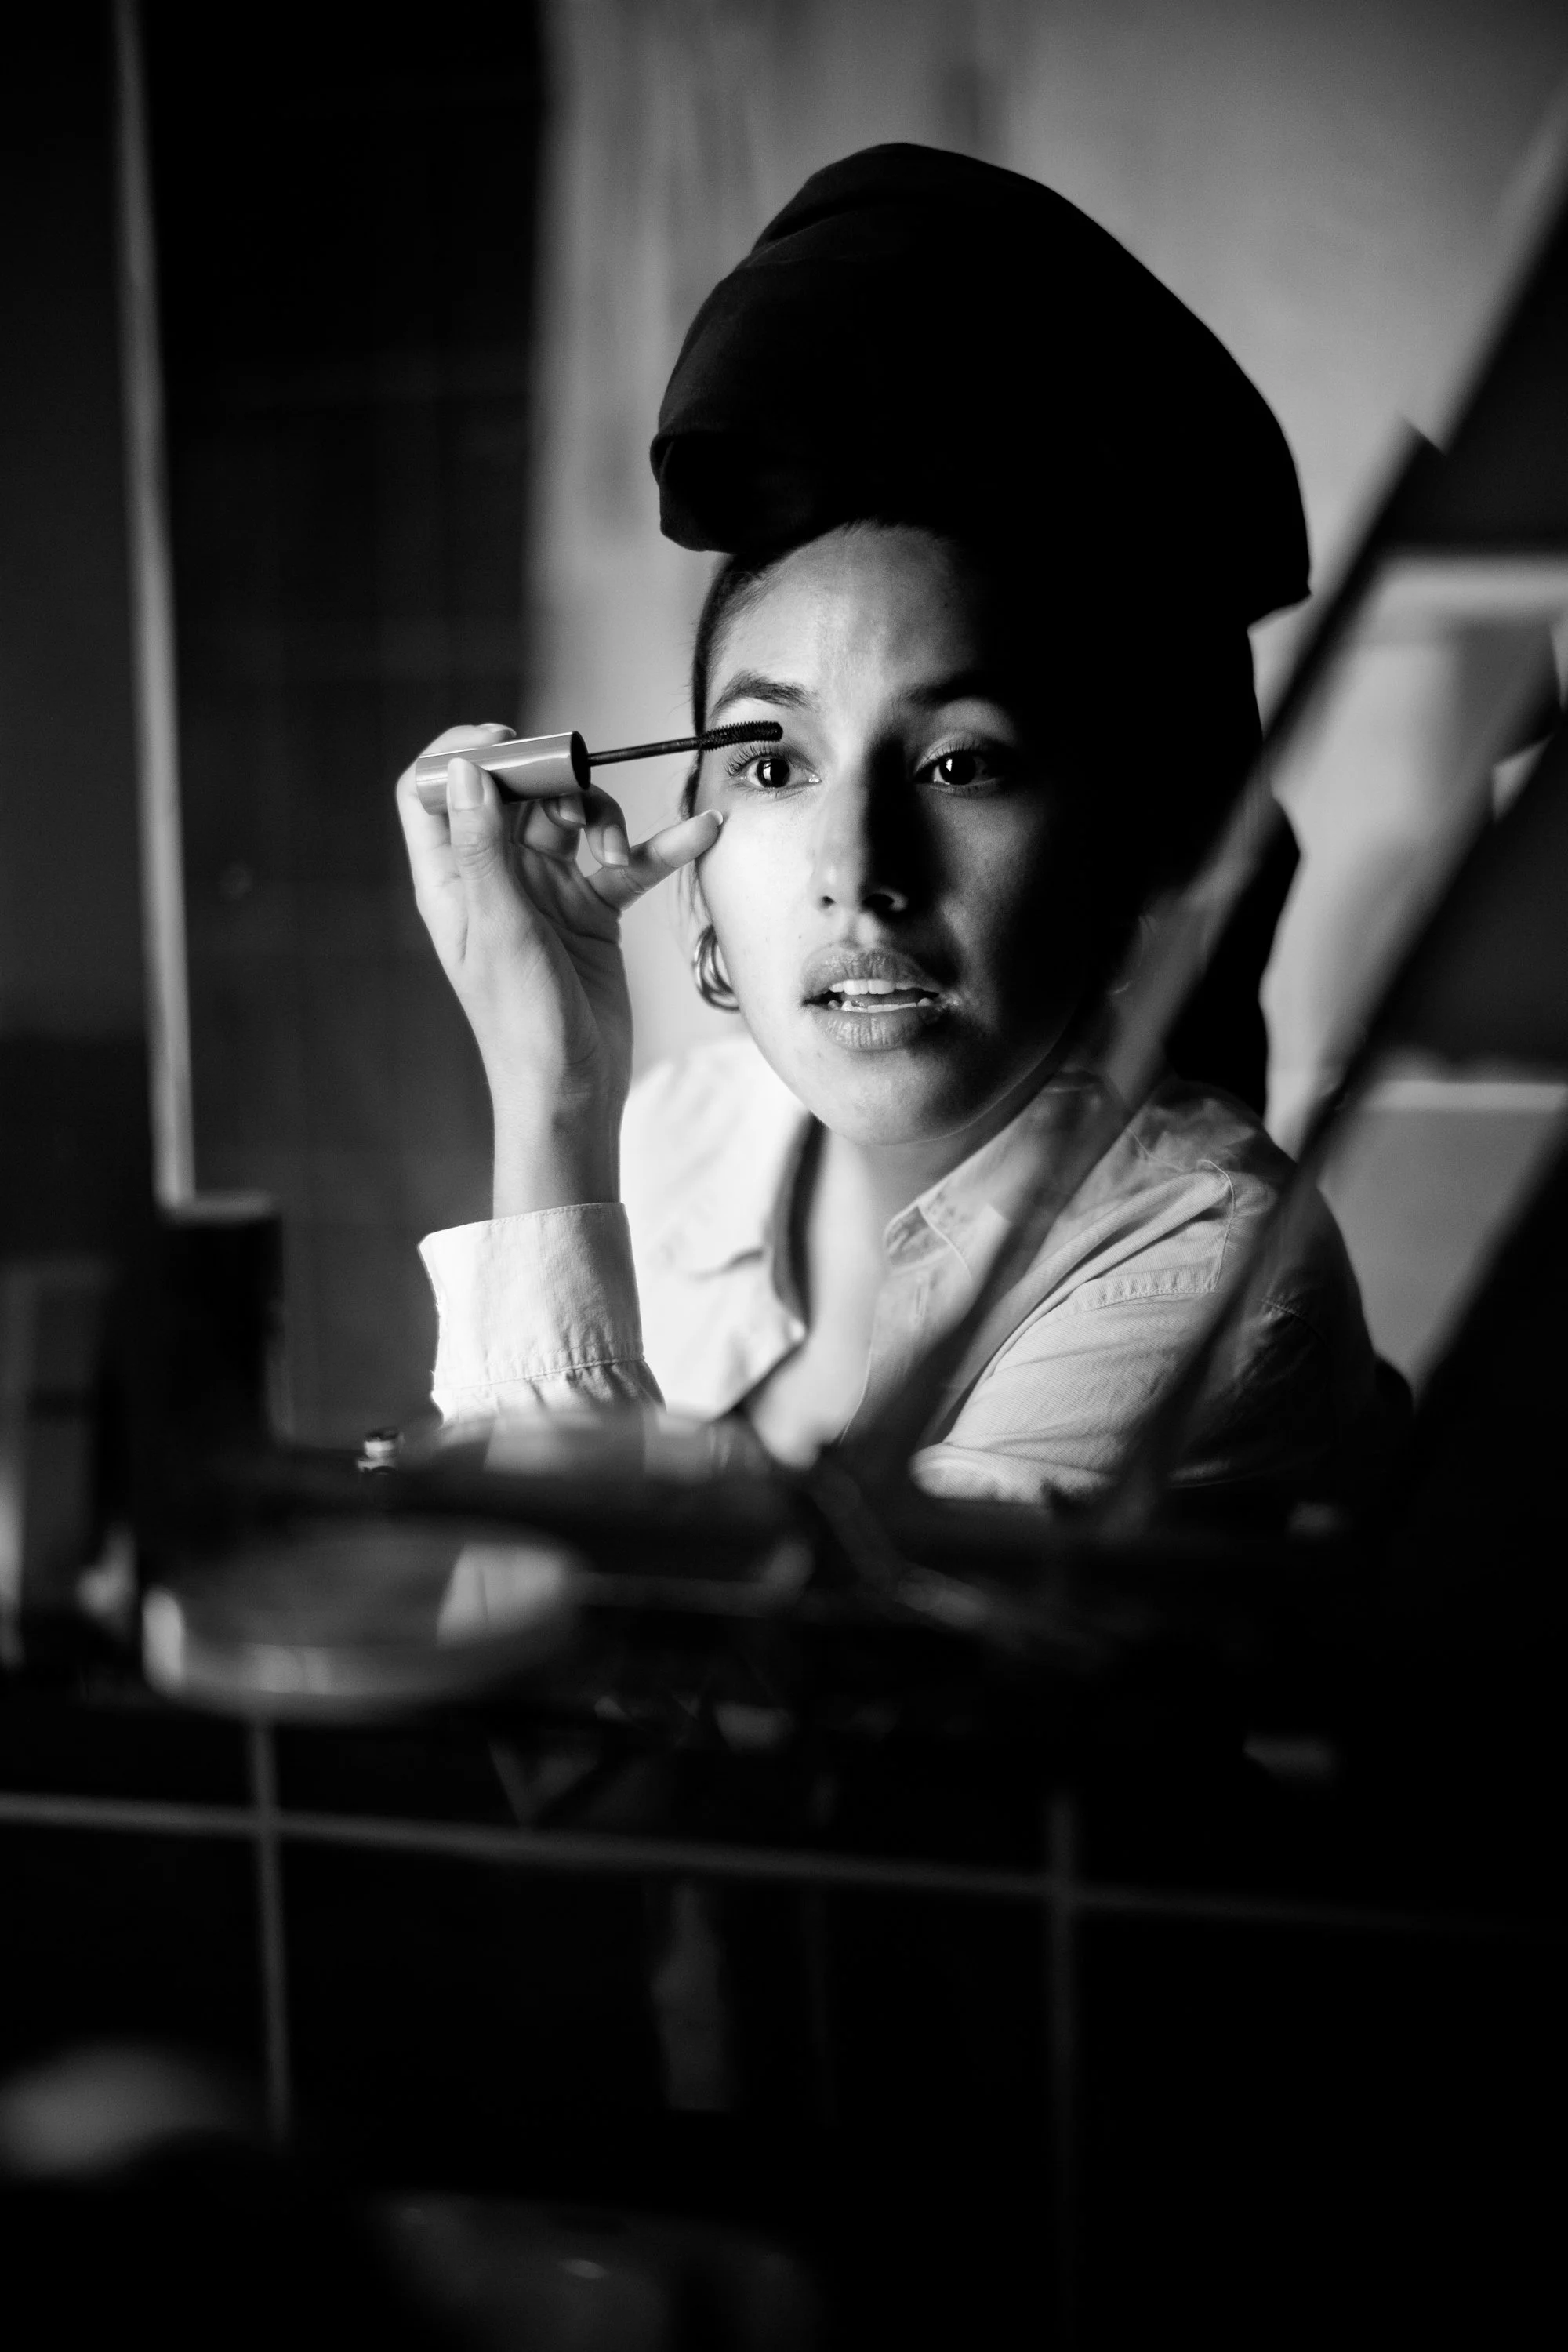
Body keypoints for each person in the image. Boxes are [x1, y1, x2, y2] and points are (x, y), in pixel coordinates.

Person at [399, 144, 1384, 1515]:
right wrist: (554, 1082)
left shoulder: (1201, 1273)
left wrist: (551, 1138)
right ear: (689, 868)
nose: (857, 877)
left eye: (959, 762)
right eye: (769, 764)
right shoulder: (679, 1141)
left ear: (1125, 853)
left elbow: (698, 1701)